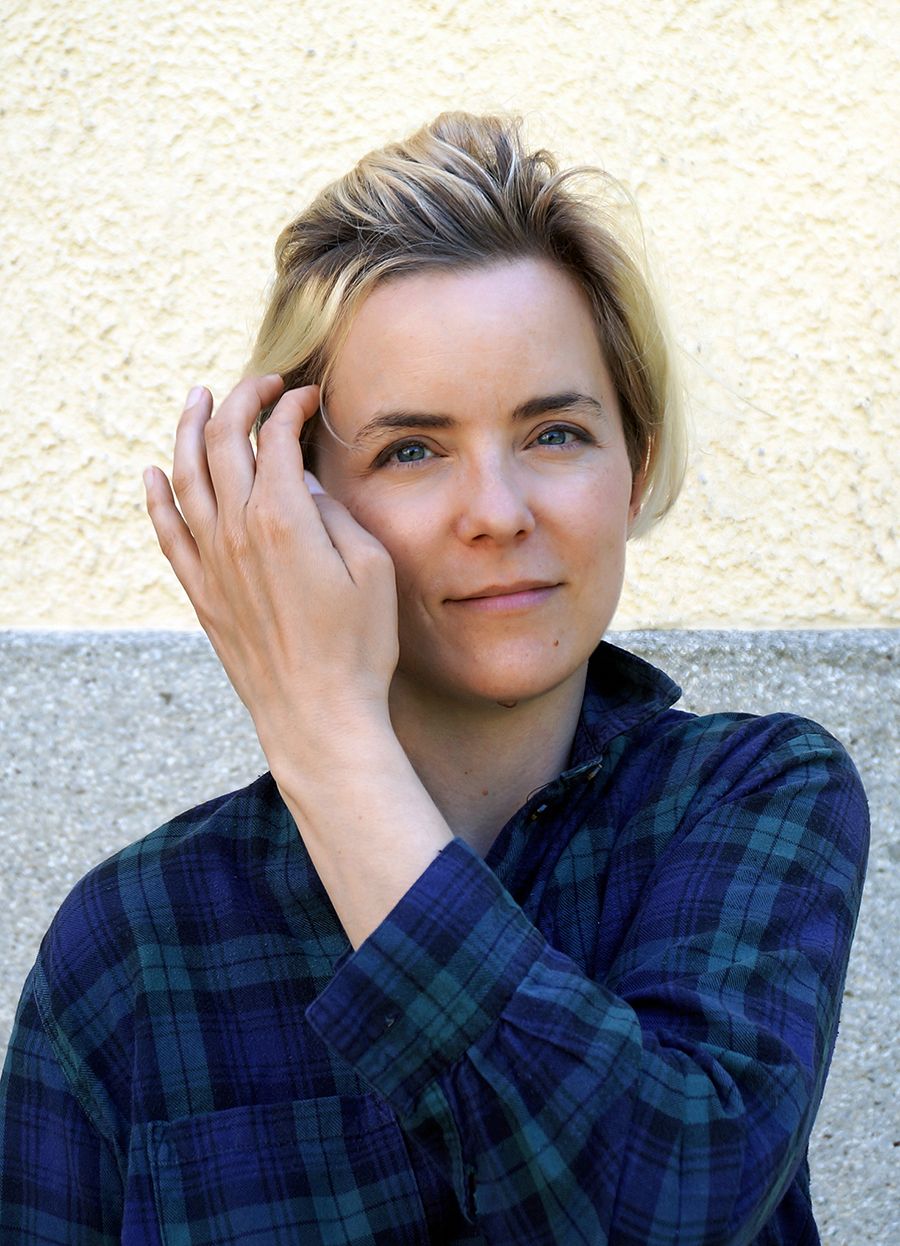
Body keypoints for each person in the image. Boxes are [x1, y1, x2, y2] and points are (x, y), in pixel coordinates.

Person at [0, 113, 868, 1245]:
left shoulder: (753, 796)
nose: (498, 513)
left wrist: (324, 739)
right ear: (292, 500)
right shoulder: (135, 943)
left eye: (554, 434)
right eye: (410, 449)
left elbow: (663, 1208)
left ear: (634, 464)